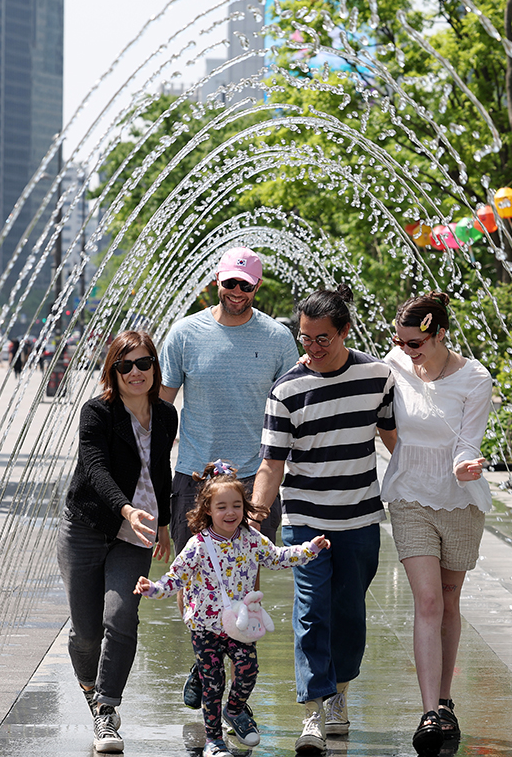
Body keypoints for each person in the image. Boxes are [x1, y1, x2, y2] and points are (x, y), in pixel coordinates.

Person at [251, 285, 397, 755]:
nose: (311, 348)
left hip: (358, 519)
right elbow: (272, 462)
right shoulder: (287, 390)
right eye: (304, 338)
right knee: (312, 613)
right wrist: (255, 515)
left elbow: (395, 441)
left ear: (344, 333)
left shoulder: (378, 377)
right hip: (305, 522)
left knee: (349, 613)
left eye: (322, 339)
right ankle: (313, 711)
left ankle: (340, 694)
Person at [158, 246, 299, 709]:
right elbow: (161, 408)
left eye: (246, 285)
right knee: (195, 575)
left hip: (253, 480)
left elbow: (292, 408)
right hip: (195, 477)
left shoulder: (278, 338)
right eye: (230, 283)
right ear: (215, 281)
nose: (237, 292)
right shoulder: (185, 333)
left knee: (244, 582)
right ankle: (207, 662)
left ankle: (223, 677)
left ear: (258, 287)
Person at [136, 461, 329, 757]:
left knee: (248, 670)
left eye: (237, 505)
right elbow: (175, 577)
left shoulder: (250, 540)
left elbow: (277, 557)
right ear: (208, 510)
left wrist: (309, 550)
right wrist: (153, 589)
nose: (230, 513)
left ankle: (235, 709)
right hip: (205, 628)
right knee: (213, 684)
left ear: (245, 508)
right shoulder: (198, 545)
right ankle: (213, 740)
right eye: (222, 506)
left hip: (239, 627)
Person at [379, 292, 493, 755]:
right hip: (408, 494)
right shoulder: (394, 365)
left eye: (414, 343)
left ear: (439, 333)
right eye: (400, 341)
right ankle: (429, 712)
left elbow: (469, 442)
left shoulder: (475, 378)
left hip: (460, 500)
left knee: (448, 599)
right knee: (427, 600)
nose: (406, 350)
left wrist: (467, 466)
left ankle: (446, 700)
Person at [57, 329, 177, 754]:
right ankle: (91, 685)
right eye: (125, 365)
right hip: (88, 527)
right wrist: (126, 509)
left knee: (121, 616)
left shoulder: (165, 414)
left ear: (154, 367)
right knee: (87, 634)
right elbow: (95, 469)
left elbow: (160, 470)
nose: (135, 372)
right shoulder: (97, 412)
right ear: (113, 370)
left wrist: (161, 524)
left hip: (137, 535)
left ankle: (106, 711)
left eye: (144, 363)